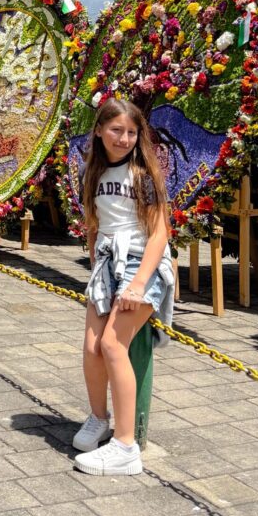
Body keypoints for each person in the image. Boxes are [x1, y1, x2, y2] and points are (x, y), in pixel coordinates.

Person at [72, 97, 174, 476]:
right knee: (92, 347)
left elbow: (160, 233)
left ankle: (126, 446)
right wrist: (97, 265)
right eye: (116, 130)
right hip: (106, 264)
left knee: (114, 345)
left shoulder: (142, 176)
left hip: (139, 263)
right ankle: (99, 418)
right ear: (99, 131)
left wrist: (138, 283)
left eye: (131, 132)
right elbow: (94, 224)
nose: (124, 138)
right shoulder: (92, 173)